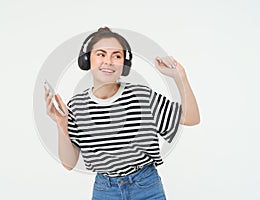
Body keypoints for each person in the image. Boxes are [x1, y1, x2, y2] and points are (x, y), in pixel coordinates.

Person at [44, 27, 200, 200]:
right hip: (105, 190)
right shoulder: (77, 106)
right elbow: (69, 163)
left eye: (116, 56)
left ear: (124, 64)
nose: (108, 61)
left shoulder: (141, 97)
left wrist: (180, 77)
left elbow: (191, 118)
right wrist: (61, 124)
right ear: (87, 59)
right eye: (101, 54)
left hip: (146, 186)